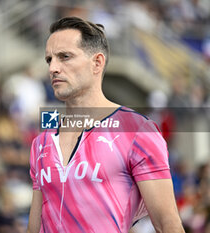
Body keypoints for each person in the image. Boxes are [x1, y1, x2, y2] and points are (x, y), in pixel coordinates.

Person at [27, 17, 184, 233]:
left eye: (65, 57)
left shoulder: (137, 131)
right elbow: (33, 229)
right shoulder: (41, 141)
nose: (53, 68)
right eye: (49, 60)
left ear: (97, 63)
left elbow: (168, 225)